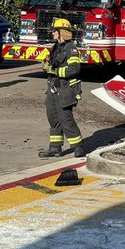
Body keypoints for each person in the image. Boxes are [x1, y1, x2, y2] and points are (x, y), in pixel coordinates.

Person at [39, 17, 84, 158]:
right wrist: (47, 66)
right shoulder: (56, 48)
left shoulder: (72, 49)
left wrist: (55, 71)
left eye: (55, 31)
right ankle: (55, 148)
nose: (52, 34)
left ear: (61, 32)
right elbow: (52, 65)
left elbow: (74, 69)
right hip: (53, 88)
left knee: (66, 119)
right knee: (53, 118)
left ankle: (78, 147)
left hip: (65, 90)